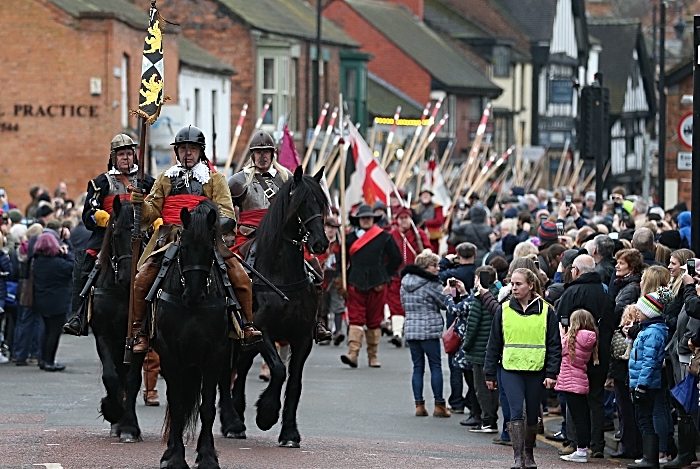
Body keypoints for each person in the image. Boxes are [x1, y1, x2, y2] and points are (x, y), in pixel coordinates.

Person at [129, 125, 261, 353]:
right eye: (182, 148)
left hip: (206, 241)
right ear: (177, 151)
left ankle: (246, 325)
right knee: (141, 279)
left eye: (192, 148)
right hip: (169, 239)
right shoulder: (164, 179)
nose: (187, 153)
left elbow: (228, 214)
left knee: (241, 278)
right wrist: (140, 204)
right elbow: (151, 215)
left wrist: (207, 227)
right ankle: (140, 332)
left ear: (201, 151)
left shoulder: (215, 179)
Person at [229, 130, 331, 341]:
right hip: (249, 235)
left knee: (316, 272)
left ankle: (315, 321)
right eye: (258, 152)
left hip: (281, 237)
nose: (263, 157)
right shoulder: (238, 181)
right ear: (252, 154)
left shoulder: (287, 179)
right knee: (233, 274)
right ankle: (237, 319)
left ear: (273, 153)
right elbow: (227, 211)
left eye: (266, 152)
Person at [63, 134, 156, 336]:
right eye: (121, 154)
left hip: (143, 236)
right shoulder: (101, 183)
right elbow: (87, 214)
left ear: (135, 156)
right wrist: (102, 218)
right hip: (109, 238)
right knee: (86, 265)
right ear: (113, 157)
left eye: (129, 154)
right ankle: (79, 315)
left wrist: (155, 221)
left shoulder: (148, 182)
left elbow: (158, 207)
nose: (126, 158)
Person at [482, 268, 561, 469]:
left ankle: (529, 453)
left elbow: (554, 344)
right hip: (510, 368)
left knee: (533, 414)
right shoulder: (504, 309)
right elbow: (494, 343)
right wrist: (489, 372)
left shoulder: (546, 310)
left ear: (531, 285)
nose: (514, 288)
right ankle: (518, 458)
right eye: (512, 284)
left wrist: (552, 372)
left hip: (536, 370)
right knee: (516, 411)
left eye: (519, 284)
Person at [554, 254, 616, 459]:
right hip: (599, 353)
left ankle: (577, 442)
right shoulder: (605, 290)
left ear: (576, 271)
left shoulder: (571, 291)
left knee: (575, 401)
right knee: (596, 400)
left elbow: (561, 322)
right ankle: (597, 445)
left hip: (575, 354)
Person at [339, 204, 401, 368]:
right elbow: (341, 262)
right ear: (358, 220)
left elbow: (396, 258)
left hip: (377, 284)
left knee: (374, 321)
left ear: (374, 219)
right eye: (363, 218)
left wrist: (384, 274)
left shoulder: (384, 237)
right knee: (356, 319)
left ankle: (372, 356)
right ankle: (353, 353)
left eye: (369, 217)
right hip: (355, 283)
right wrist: (342, 280)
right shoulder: (349, 239)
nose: (366, 220)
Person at [399, 250, 448, 417]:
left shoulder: (405, 282)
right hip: (429, 329)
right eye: (434, 265)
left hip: (412, 328)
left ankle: (419, 405)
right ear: (426, 268)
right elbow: (444, 303)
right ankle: (439, 404)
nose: (438, 269)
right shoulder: (432, 284)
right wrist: (452, 291)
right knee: (435, 366)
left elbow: (403, 304)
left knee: (417, 367)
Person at [628, 292, 670, 469]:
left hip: (646, 384)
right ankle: (649, 456)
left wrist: (642, 385)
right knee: (642, 418)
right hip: (641, 382)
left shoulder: (652, 333)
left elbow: (649, 361)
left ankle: (650, 458)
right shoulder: (648, 330)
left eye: (641, 310)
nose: (637, 313)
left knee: (645, 419)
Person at [557, 309, 599, 463]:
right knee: (583, 416)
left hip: (570, 382)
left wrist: (562, 333)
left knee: (577, 418)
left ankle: (581, 451)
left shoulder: (573, 338)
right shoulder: (589, 338)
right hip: (580, 380)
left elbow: (560, 349)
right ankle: (583, 447)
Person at [463, 265, 500, 434]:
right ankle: (492, 419)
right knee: (494, 386)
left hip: (479, 349)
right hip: (496, 348)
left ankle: (487, 420)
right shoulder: (500, 294)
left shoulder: (479, 297)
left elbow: (472, 325)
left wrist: (466, 346)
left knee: (482, 387)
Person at [387, 206, 430, 347]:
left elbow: (428, 250)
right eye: (401, 218)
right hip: (396, 275)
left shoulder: (419, 234)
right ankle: (397, 333)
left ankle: (410, 332)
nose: (404, 221)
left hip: (415, 275)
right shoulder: (392, 234)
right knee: (396, 303)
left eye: (406, 218)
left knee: (413, 304)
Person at [32, 232, 74, 371]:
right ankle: (49, 361)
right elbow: (73, 267)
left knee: (46, 330)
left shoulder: (37, 261)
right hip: (57, 301)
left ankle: (43, 359)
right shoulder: (58, 263)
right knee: (54, 332)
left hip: (41, 299)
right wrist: (67, 252)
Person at [414, 187, 444, 253]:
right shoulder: (415, 207)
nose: (425, 196)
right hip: (419, 234)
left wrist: (425, 222)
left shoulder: (437, 207)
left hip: (432, 235)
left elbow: (439, 221)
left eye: (427, 194)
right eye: (423, 194)